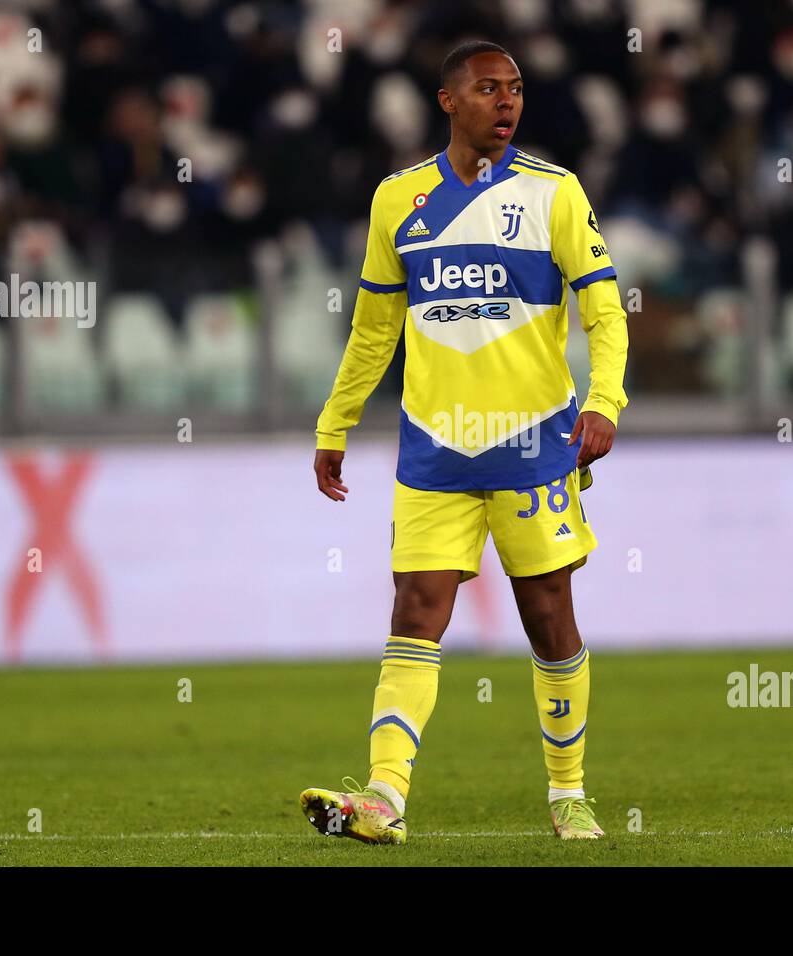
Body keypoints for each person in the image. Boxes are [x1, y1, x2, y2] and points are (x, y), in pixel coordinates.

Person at [300, 40, 629, 843]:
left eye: (515, 89)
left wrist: (605, 401)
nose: (507, 102)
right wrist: (335, 422)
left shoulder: (555, 193)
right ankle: (383, 799)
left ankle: (568, 794)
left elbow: (605, 309)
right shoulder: (399, 200)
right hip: (435, 449)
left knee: (549, 617)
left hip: (534, 445)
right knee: (416, 611)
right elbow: (374, 331)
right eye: (489, 89)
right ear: (448, 101)